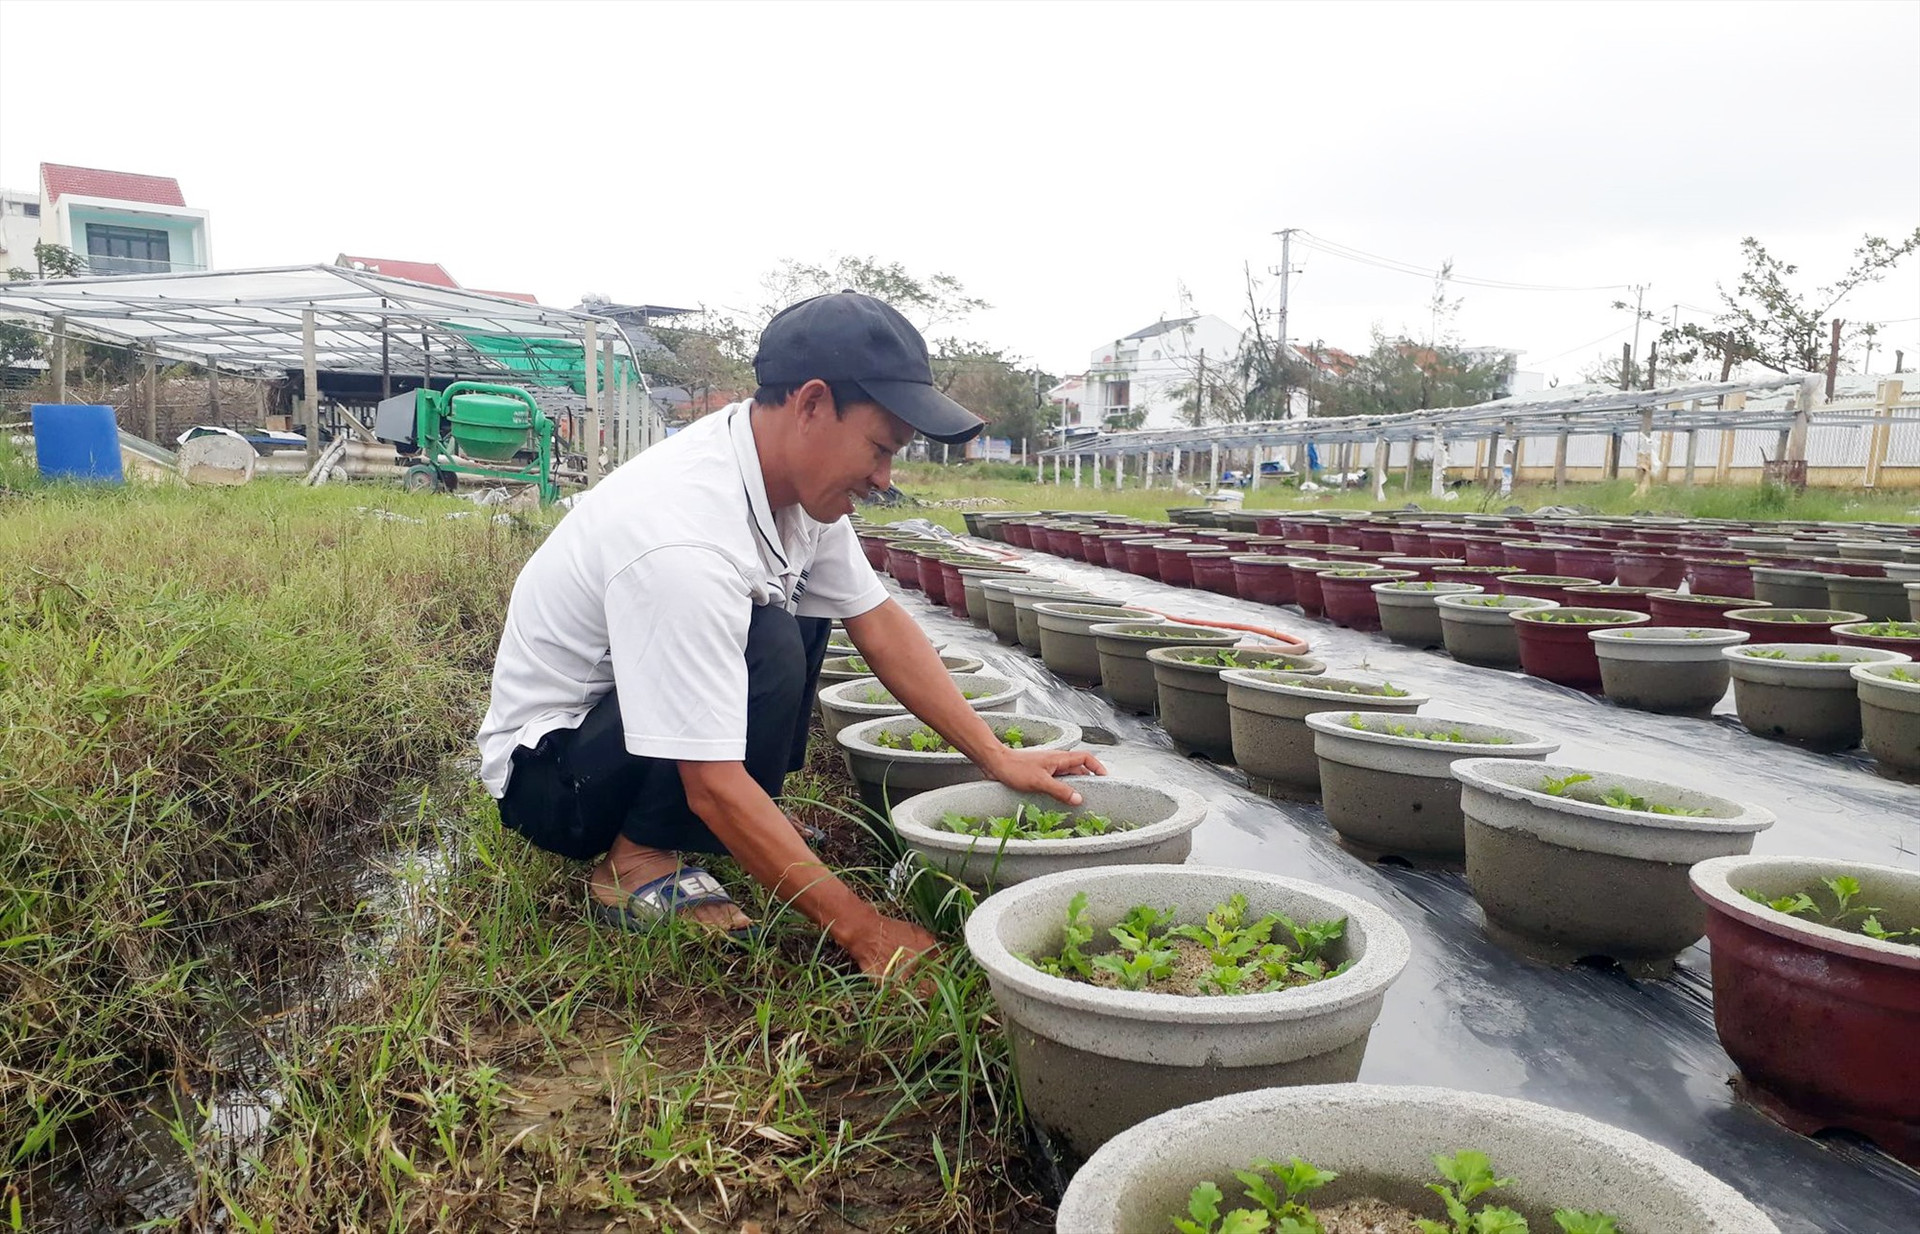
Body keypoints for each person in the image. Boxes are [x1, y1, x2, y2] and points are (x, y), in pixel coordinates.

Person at [476, 291, 1106, 981]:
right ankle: (634, 862)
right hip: (556, 777)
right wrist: (864, 930)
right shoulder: (682, 537)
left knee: (802, 620)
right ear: (810, 405)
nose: (884, 478)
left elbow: (878, 621)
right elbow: (712, 783)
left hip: (620, 730)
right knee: (768, 638)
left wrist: (996, 756)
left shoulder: (788, 485)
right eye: (880, 448)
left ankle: (736, 831)